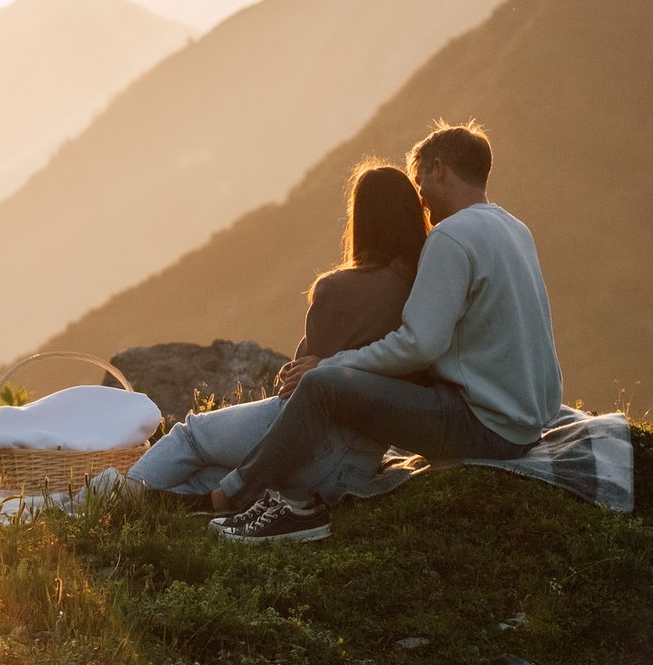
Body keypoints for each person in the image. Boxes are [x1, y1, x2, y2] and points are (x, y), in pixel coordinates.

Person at [210, 120, 564, 543]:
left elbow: (420, 344)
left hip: (481, 428)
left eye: (420, 183)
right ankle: (270, 492)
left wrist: (332, 363)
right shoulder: (514, 229)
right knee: (332, 382)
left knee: (323, 385)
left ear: (439, 170)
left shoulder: (452, 237)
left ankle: (229, 496)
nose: (422, 202)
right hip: (524, 424)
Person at [127, 158, 429, 503]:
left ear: (361, 220)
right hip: (357, 466)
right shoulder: (423, 288)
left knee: (190, 437)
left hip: (307, 450)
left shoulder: (337, 289)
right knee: (207, 476)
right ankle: (127, 503)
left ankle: (112, 499)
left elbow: (297, 394)